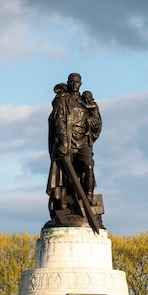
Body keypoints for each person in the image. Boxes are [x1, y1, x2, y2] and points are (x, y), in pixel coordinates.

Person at [47, 72, 102, 226]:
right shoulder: (62, 99)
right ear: (68, 82)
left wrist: (93, 121)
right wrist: (63, 140)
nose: (74, 83)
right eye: (72, 81)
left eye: (77, 81)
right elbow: (58, 120)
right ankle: (63, 207)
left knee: (89, 166)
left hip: (83, 140)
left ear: (81, 83)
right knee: (65, 177)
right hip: (68, 141)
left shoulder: (86, 101)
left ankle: (88, 198)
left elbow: (97, 121)